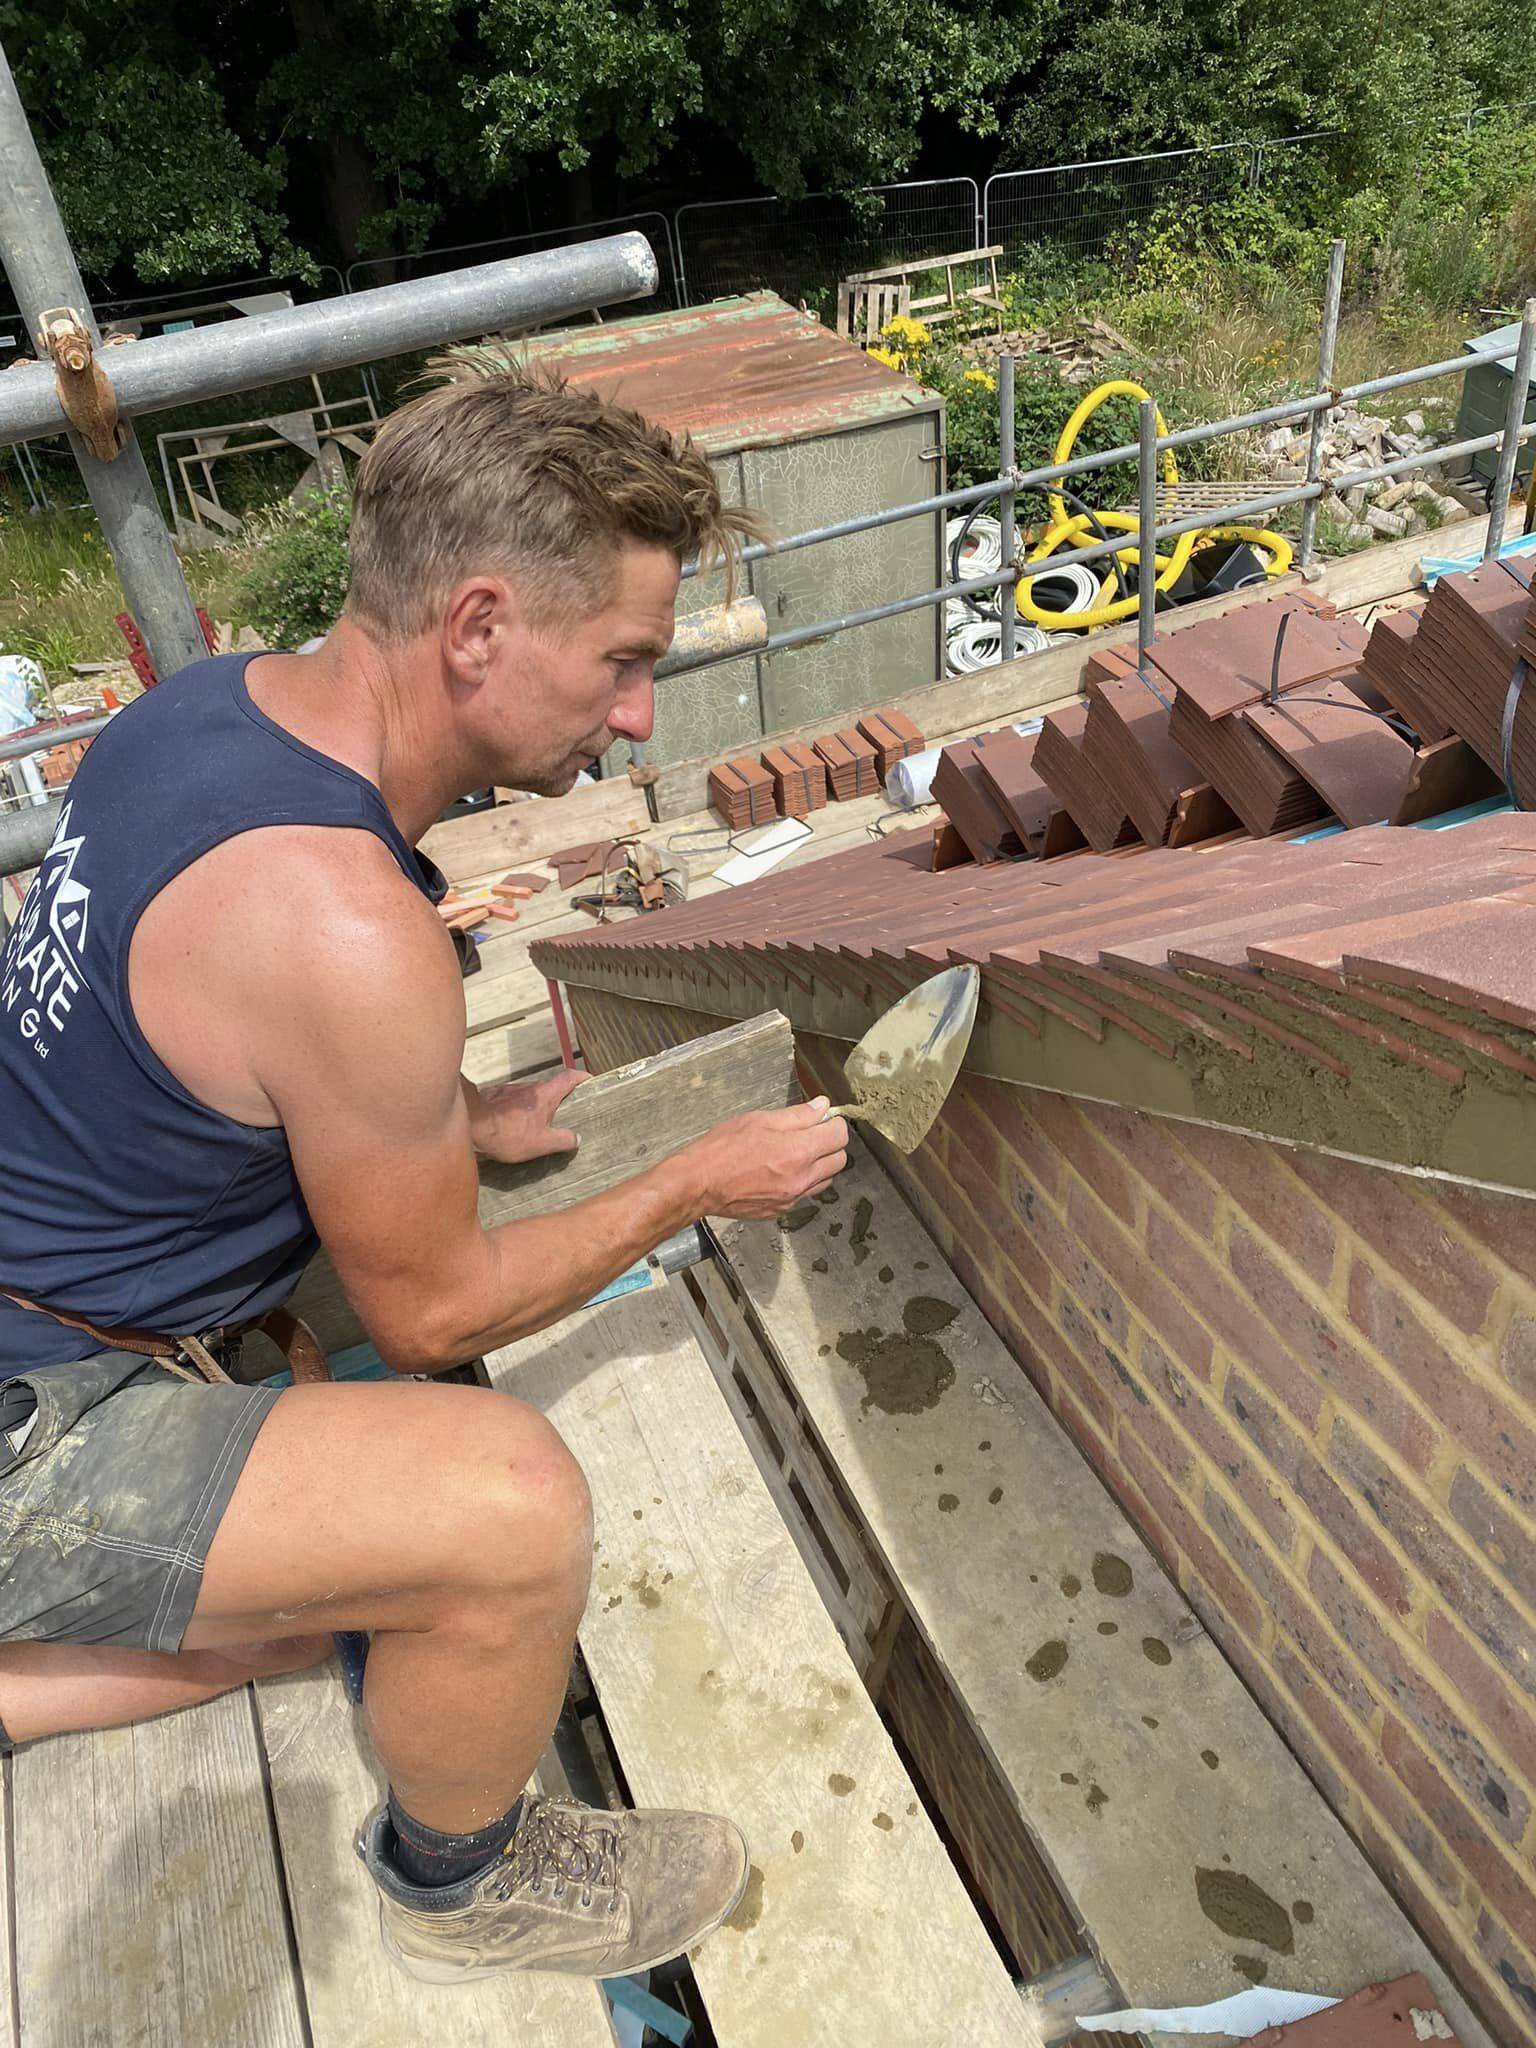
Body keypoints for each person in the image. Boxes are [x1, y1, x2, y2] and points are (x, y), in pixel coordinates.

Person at [0, 352, 848, 1982]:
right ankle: (465, 1883)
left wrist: (456, 1120)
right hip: (32, 1422)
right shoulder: (340, 920)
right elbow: (439, 1309)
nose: (636, 715)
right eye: (621, 662)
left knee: (330, 1606)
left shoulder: (200, 711)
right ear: (475, 627)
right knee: (503, 1516)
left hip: (45, 1293)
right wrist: (695, 1180)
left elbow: (200, 1056)